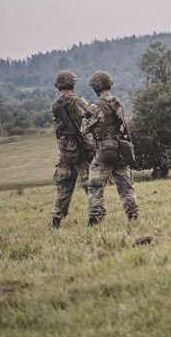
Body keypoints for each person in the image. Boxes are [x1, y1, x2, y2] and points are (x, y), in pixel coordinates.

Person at [80, 71, 139, 225]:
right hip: (121, 150)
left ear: (95, 87)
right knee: (126, 186)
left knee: (95, 187)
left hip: (104, 153)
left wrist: (84, 116)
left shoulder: (95, 107)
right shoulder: (118, 102)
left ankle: (95, 219)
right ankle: (133, 216)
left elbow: (83, 129)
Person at [50, 70, 94, 228]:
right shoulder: (79, 101)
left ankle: (56, 219)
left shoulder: (55, 105)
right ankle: (94, 218)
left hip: (65, 150)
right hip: (81, 148)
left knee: (63, 186)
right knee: (90, 185)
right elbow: (90, 117)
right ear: (72, 84)